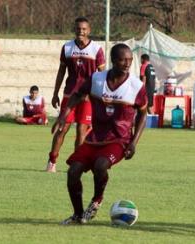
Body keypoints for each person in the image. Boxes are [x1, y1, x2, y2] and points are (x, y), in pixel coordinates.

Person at [58, 44, 147, 225]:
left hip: (119, 140)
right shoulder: (97, 79)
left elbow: (144, 113)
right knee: (73, 171)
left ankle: (97, 200)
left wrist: (134, 142)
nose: (127, 63)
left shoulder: (136, 86)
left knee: (100, 165)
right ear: (113, 60)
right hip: (94, 139)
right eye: (123, 59)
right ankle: (77, 214)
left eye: (130, 60)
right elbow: (78, 95)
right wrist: (64, 115)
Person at [47, 17, 106, 173]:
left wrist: (102, 98)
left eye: (84, 29)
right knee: (62, 128)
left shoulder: (97, 49)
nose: (81, 31)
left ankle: (76, 163)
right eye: (78, 29)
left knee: (81, 130)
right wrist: (55, 94)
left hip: (88, 97)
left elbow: (103, 76)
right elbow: (61, 72)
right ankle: (52, 161)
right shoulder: (67, 48)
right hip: (69, 95)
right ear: (75, 29)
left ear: (89, 30)